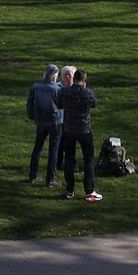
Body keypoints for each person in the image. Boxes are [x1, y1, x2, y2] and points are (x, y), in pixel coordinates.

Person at [58, 68, 101, 202]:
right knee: (88, 159)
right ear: (85, 80)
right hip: (84, 129)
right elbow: (94, 104)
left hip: (68, 129)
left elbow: (59, 104)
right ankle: (89, 190)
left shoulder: (64, 92)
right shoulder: (87, 93)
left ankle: (70, 190)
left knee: (69, 159)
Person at [26, 64, 64, 186]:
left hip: (40, 121)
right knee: (53, 149)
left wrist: (32, 115)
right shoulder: (57, 89)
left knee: (37, 147)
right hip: (55, 122)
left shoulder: (36, 87)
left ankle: (33, 175)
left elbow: (30, 103)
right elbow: (61, 104)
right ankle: (50, 178)